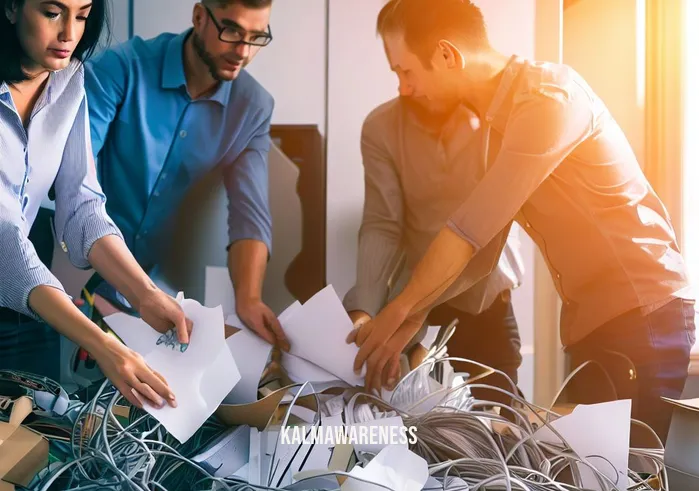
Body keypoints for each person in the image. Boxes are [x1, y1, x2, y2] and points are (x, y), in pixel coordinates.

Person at [348, 0, 695, 443]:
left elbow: (468, 231)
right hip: (598, 322)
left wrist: (399, 310)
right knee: (592, 470)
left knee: (629, 469)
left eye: (406, 71)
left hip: (643, 314)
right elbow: (482, 250)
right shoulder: (500, 125)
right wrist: (414, 316)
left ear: (447, 56)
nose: (405, 88)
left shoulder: (549, 98)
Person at [0, 0, 192, 410]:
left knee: (36, 444)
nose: (70, 33)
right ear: (12, 8)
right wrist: (104, 345)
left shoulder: (70, 80)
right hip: (20, 277)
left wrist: (144, 294)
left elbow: (82, 205)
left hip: (25, 309)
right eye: (53, 13)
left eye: (83, 15)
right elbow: (4, 242)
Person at [82, 0, 289, 351]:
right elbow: (76, 180)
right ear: (198, 16)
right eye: (232, 31)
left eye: (256, 37)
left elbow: (249, 215)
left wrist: (249, 299)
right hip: (84, 259)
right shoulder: (122, 68)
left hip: (166, 283)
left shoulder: (253, 107)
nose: (243, 51)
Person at [343, 95, 526, 399]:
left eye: (408, 71)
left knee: (499, 424)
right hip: (417, 308)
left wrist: (407, 310)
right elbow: (382, 224)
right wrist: (364, 309)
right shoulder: (383, 128)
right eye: (397, 71)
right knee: (409, 421)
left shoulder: (500, 127)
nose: (403, 85)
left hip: (488, 307)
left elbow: (483, 233)